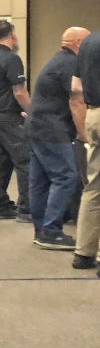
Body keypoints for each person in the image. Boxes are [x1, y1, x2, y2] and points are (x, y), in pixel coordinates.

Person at [27, 28, 90, 250]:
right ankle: (51, 232)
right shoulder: (72, 65)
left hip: (36, 126)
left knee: (40, 180)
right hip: (52, 129)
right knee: (66, 176)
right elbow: (76, 101)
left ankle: (41, 230)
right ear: (79, 43)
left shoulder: (58, 60)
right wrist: (85, 135)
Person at [0, 20, 33, 221]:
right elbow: (19, 91)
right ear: (12, 35)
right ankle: (26, 208)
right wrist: (32, 112)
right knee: (25, 159)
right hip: (8, 117)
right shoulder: (12, 58)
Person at [71, 30, 100, 275]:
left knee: (94, 185)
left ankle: (84, 251)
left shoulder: (89, 41)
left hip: (92, 114)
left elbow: (75, 86)